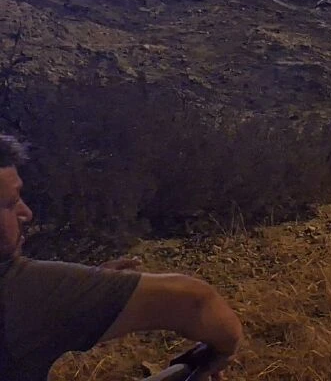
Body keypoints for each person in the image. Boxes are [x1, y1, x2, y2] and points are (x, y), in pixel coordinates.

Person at [0, 135, 243, 380]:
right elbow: (196, 302)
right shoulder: (18, 291)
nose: (26, 213)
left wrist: (88, 286)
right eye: (10, 203)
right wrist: (222, 352)